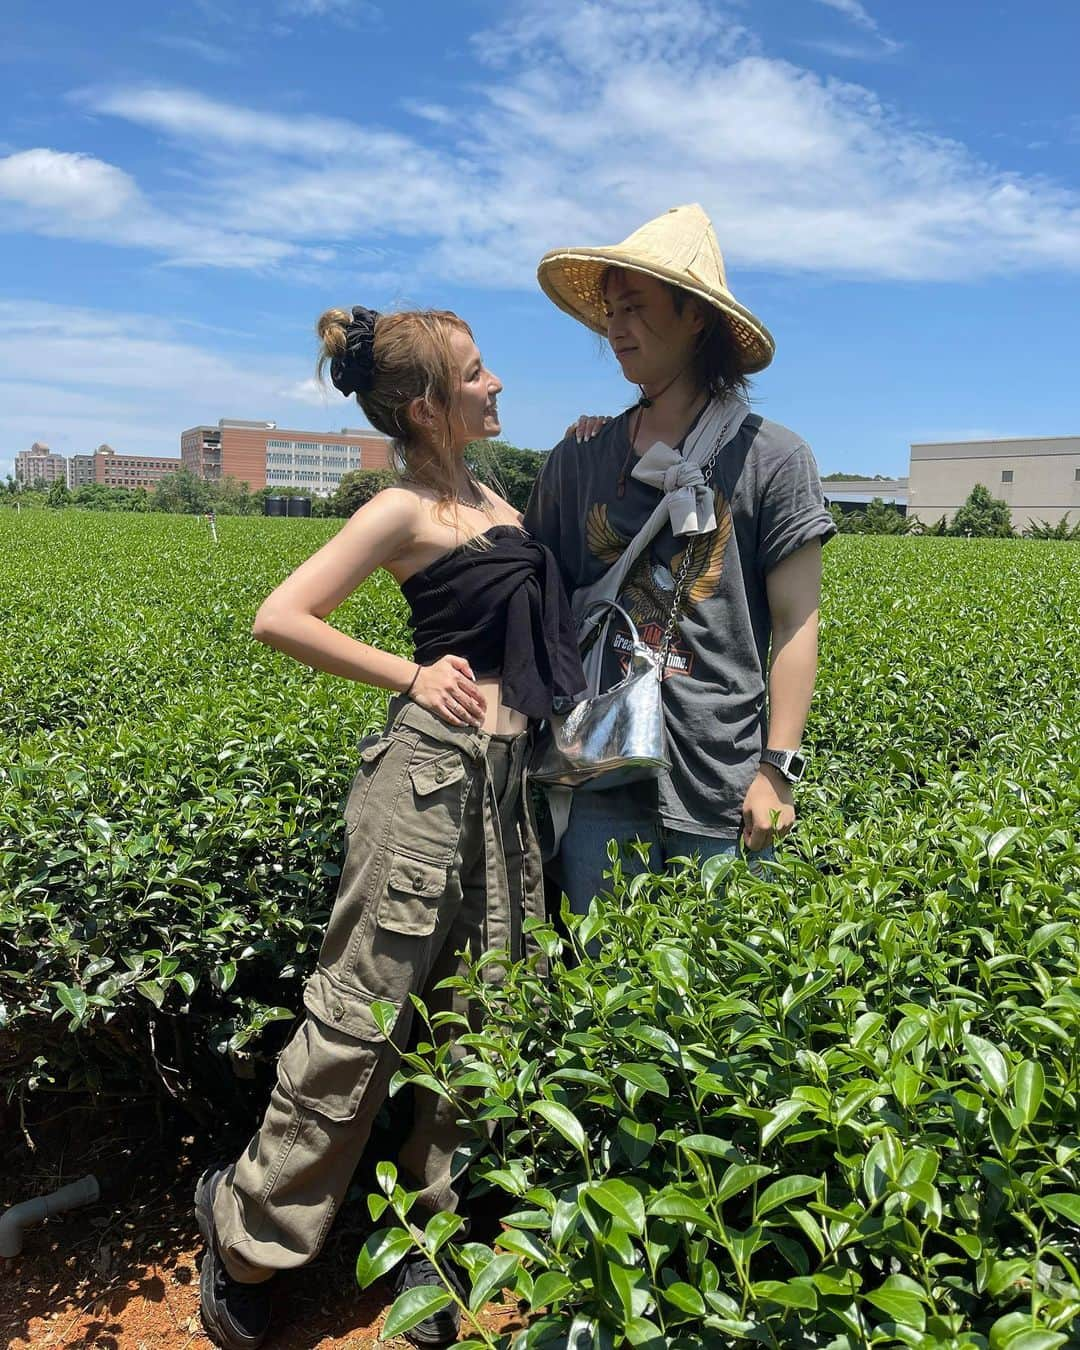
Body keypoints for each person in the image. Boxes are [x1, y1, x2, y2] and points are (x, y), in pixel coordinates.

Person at [195, 304, 584, 1350]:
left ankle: (431, 1234)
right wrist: (411, 670)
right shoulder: (400, 509)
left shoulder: (494, 497)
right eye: (476, 370)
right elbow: (281, 616)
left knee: (486, 1015)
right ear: (425, 403)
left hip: (510, 779)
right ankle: (249, 1234)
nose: (498, 382)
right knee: (363, 1013)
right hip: (423, 778)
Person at [524, 204, 836, 913]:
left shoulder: (772, 458)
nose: (616, 328)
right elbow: (532, 585)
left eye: (635, 307)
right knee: (605, 987)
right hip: (597, 768)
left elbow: (795, 623)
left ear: (695, 316)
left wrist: (777, 769)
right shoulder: (578, 460)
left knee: (722, 999)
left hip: (721, 778)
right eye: (610, 310)